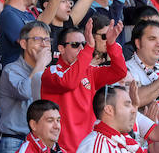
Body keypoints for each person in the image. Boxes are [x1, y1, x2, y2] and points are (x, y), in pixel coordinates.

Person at [41, 22, 127, 152]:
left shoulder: (90, 71)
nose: (81, 48)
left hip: (88, 147)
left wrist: (111, 44)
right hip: (62, 149)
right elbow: (69, 82)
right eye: (75, 45)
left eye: (83, 44)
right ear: (61, 48)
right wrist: (89, 48)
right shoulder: (50, 72)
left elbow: (119, 72)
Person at [0, 21, 52, 153]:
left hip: (41, 141)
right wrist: (40, 65)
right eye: (38, 39)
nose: (44, 44)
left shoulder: (49, 72)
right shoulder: (11, 70)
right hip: (15, 141)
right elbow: (26, 92)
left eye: (47, 40)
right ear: (23, 43)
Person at [76, 85, 140, 153]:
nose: (134, 110)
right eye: (127, 105)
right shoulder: (95, 146)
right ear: (109, 110)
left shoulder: (124, 142)